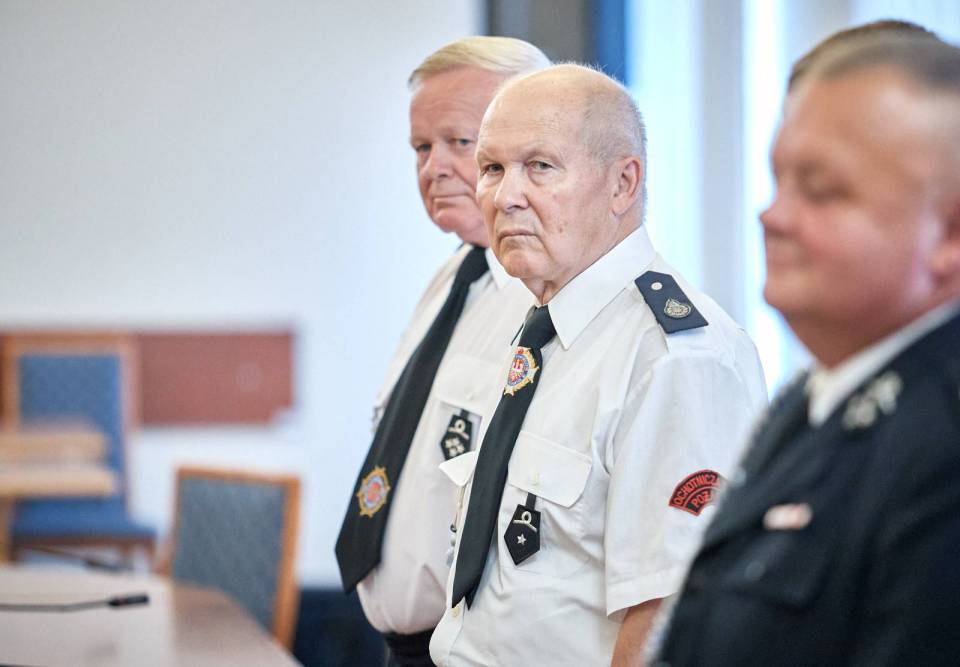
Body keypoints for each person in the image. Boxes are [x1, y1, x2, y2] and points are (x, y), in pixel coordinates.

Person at [428, 64, 768, 667]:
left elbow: (668, 615)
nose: (505, 196)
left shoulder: (675, 357)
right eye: (492, 168)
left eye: (540, 166)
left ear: (622, 184)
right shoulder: (543, 325)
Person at [654, 33, 960, 666]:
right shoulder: (812, 398)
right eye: (779, 181)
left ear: (949, 234)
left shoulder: (942, 448)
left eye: (821, 191)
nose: (773, 216)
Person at [334, 37, 549, 667]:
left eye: (459, 141)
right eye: (421, 148)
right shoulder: (456, 275)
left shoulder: (542, 297)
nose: (434, 168)